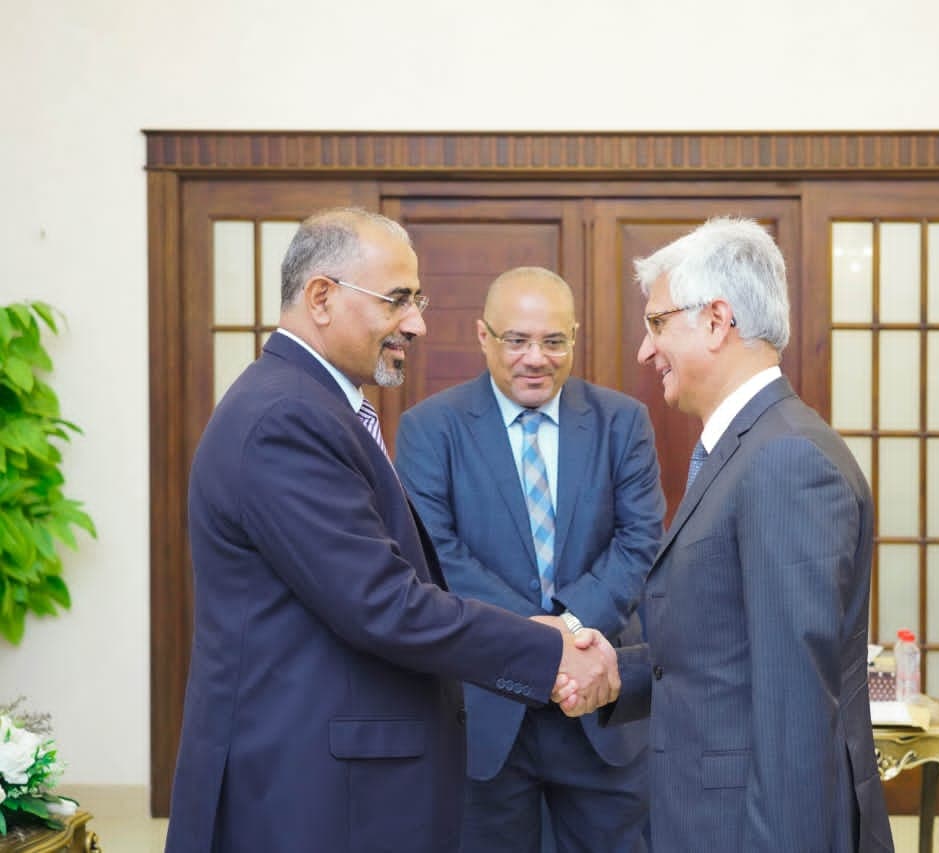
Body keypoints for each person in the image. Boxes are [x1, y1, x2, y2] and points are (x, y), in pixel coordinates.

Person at [165, 208, 617, 853]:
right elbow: (382, 604)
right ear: (321, 297)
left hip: (331, 781)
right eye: (397, 300)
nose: (417, 324)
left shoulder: (311, 404)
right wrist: (548, 651)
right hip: (307, 791)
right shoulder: (286, 418)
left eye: (417, 301)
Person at [601, 217, 892, 852]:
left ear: (716, 320)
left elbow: (794, 710)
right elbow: (727, 650)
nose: (645, 351)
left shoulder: (785, 460)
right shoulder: (748, 448)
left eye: (657, 323)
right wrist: (616, 673)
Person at [395, 267, 663, 853]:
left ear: (574, 337)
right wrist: (539, 645)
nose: (535, 359)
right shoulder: (430, 429)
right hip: (485, 705)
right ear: (483, 336)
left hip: (597, 702)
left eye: (553, 341)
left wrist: (569, 633)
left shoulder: (622, 422)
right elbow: (436, 555)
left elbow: (640, 540)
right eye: (516, 340)